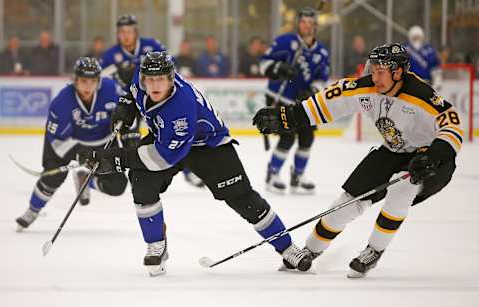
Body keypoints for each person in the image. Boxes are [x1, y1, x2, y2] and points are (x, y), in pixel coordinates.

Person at [79, 51, 313, 276]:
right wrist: (125, 107)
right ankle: (156, 246)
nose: (154, 85)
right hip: (165, 136)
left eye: (160, 79)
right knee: (141, 181)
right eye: (149, 80)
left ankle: (287, 247)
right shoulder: (140, 79)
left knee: (243, 199)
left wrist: (117, 159)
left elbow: (162, 158)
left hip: (208, 145)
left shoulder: (181, 106)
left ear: (171, 78)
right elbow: (131, 93)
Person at [253, 43, 462, 278]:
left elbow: (453, 125)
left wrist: (434, 155)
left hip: (432, 158)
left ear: (398, 72)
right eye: (372, 70)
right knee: (348, 201)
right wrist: (285, 117)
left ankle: (374, 250)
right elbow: (325, 104)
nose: (374, 77)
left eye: (380, 71)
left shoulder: (421, 95)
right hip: (392, 151)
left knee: (402, 188)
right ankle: (310, 250)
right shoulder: (367, 87)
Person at [15, 57, 129, 231]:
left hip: (103, 140)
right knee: (52, 176)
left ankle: (87, 181)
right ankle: (33, 210)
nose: (88, 86)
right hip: (68, 142)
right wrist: (79, 155)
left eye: (92, 81)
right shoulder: (61, 102)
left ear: (98, 81)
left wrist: (130, 134)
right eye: (83, 81)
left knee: (117, 185)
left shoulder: (111, 88)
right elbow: (57, 140)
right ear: (75, 80)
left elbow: (129, 110)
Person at [101, 14, 203, 187]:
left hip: (154, 100)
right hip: (128, 104)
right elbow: (100, 79)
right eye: (122, 32)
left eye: (129, 31)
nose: (125, 35)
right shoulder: (111, 55)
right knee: (131, 142)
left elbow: (169, 68)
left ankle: (188, 170)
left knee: (171, 134)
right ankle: (141, 178)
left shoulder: (152, 46)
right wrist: (116, 72)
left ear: (136, 32)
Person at [259, 7, 329, 194]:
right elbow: (263, 64)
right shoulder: (285, 41)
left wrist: (312, 90)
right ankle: (272, 175)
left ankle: (298, 174)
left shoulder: (321, 52)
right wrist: (279, 68)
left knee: (307, 137)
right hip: (280, 97)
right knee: (287, 136)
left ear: (315, 26)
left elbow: (322, 77)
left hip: (305, 102)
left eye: (310, 23)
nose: (306, 26)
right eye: (303, 22)